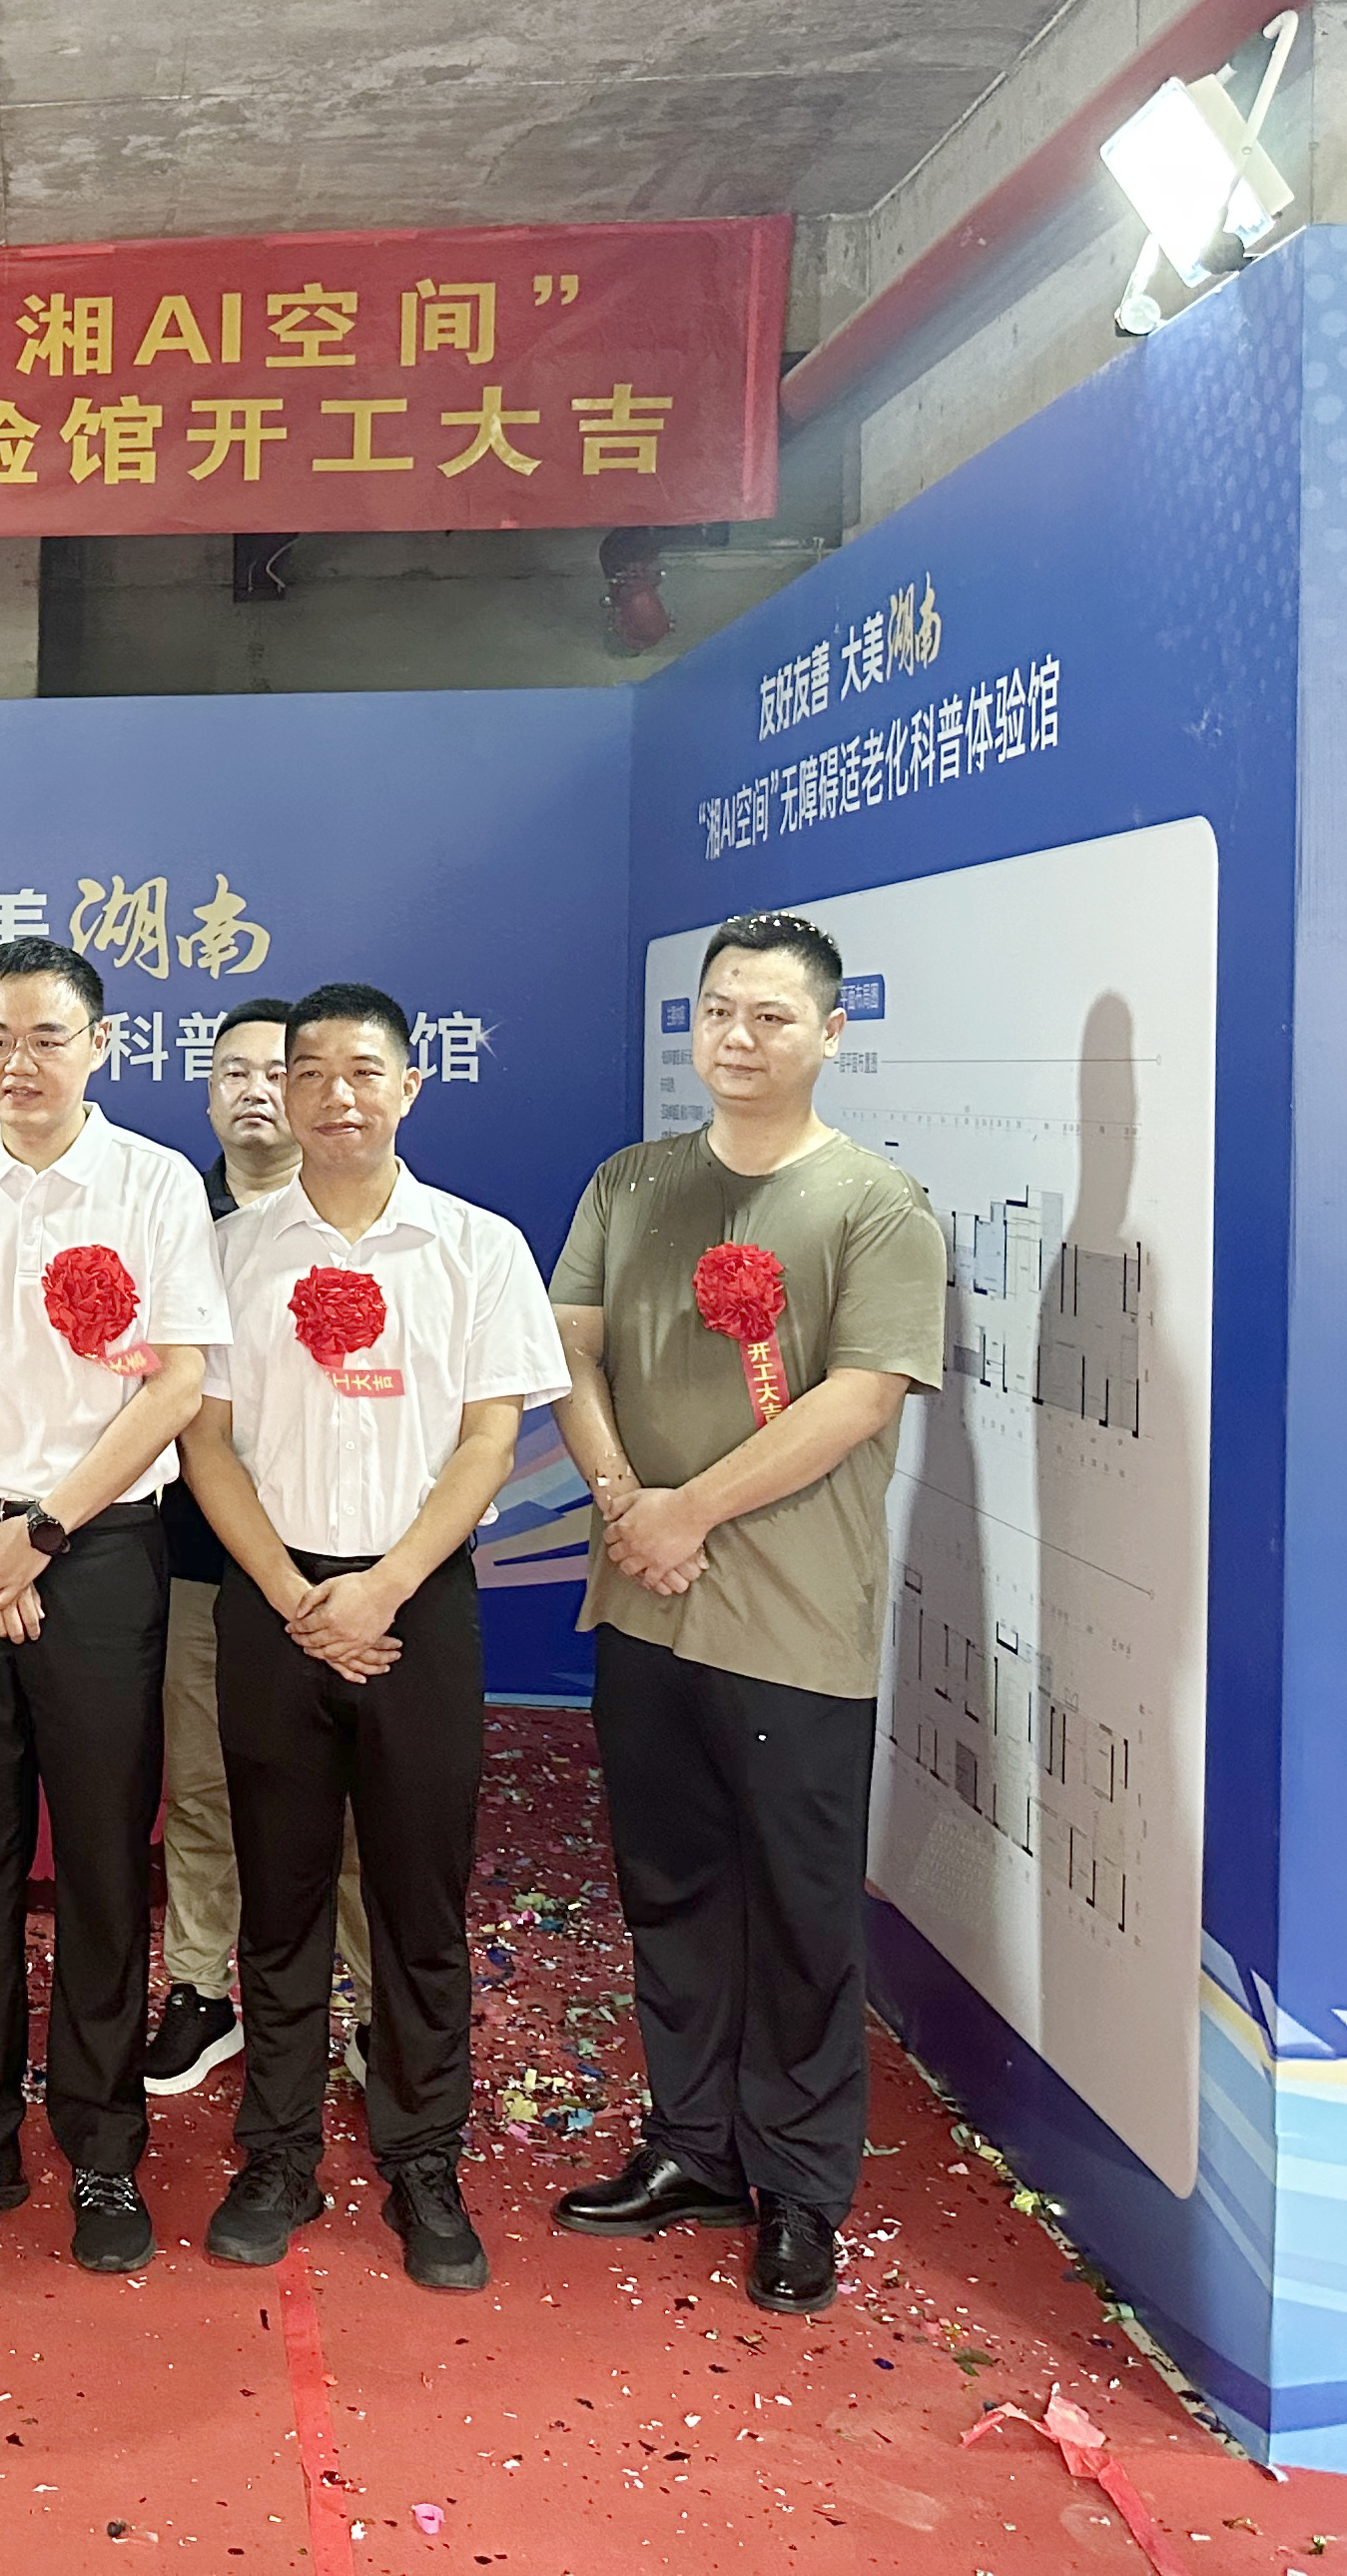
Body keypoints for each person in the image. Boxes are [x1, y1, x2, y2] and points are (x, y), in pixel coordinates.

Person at [545, 911, 946, 2317]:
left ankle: (801, 2186)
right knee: (672, 1891)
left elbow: (862, 1397)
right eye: (719, 1011)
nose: (738, 1037)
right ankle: (694, 2147)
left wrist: (688, 1512)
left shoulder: (875, 1205)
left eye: (772, 1017)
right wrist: (622, 1499)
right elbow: (570, 1345)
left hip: (791, 1619)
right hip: (644, 1601)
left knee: (799, 1909)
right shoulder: (633, 1182)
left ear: (831, 1032)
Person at [174, 985, 570, 2281]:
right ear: (281, 1094)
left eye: (363, 1071)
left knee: (417, 1898)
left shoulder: (476, 1248)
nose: (336, 1095)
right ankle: (278, 2152)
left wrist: (387, 1585)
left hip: (420, 1603)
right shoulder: (228, 1253)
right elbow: (204, 1442)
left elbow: (491, 1441)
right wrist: (294, 1594)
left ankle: (423, 2158)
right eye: (310, 1073)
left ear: (409, 1087)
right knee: (281, 1895)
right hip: (272, 1599)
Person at [0, 938, 225, 2272]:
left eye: (45, 1037)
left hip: (98, 1549)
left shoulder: (153, 1184)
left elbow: (176, 1382)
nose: (18, 1063)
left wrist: (45, 1532)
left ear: (99, 1045)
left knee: (97, 1854)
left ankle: (100, 2142)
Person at [146, 998, 372, 2101]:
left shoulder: (369, 1224)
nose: (255, 1090)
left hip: (350, 1571)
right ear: (208, 1096)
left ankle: (371, 2003)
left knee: (357, 1804)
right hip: (199, 1564)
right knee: (203, 1787)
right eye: (231, 1071)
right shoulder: (165, 1222)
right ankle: (200, 1989)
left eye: (277, 1070)